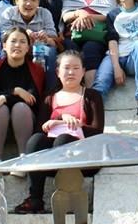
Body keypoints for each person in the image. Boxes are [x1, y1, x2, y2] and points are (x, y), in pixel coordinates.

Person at [14, 50, 105, 214]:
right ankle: (35, 198)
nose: (71, 72)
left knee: (63, 140)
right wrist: (62, 117)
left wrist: (75, 126)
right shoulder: (50, 98)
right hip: (52, 159)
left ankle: (69, 196)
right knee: (35, 140)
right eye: (66, 68)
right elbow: (40, 130)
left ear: (84, 71)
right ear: (57, 72)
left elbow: (98, 132)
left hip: (84, 158)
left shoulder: (92, 96)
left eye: (76, 68)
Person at [0, 27, 45, 175]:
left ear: (28, 47)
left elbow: (32, 98)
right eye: (13, 41)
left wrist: (5, 97)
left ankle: (23, 160)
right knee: (0, 108)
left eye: (23, 42)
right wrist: (14, 92)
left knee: (20, 107)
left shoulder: (36, 70)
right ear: (4, 45)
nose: (17, 45)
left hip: (25, 117)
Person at [96, 0, 138, 123]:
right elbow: (112, 41)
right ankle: (90, 113)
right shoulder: (113, 14)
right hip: (116, 55)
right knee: (100, 84)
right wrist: (116, 67)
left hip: (135, 58)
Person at [62, 0, 115, 86]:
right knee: (70, 51)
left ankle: (90, 93)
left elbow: (111, 17)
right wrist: (80, 13)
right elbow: (65, 17)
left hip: (96, 36)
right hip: (73, 36)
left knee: (90, 49)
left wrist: (88, 17)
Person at [0, 0, 60, 90]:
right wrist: (24, 34)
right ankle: (4, 89)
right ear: (17, 0)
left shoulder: (45, 13)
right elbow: (3, 35)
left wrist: (46, 38)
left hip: (38, 49)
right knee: (4, 52)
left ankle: (50, 92)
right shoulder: (8, 13)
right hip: (16, 47)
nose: (29, 4)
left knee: (50, 52)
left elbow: (54, 39)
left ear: (38, 2)